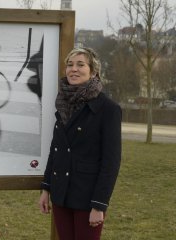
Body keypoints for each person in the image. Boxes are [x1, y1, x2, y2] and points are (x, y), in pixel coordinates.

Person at [38, 47, 122, 240]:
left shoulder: (108, 109)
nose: (73, 69)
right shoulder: (63, 103)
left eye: (80, 64)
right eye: (69, 65)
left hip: (88, 199)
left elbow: (111, 162)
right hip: (61, 196)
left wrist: (99, 204)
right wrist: (46, 188)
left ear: (93, 71)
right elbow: (56, 149)